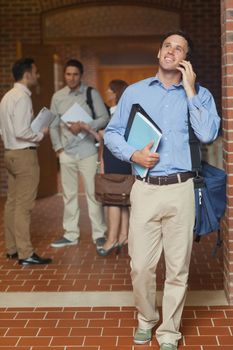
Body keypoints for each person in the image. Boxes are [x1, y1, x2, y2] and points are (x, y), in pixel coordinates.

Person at [104, 31, 220, 350]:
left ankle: (170, 331)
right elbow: (112, 133)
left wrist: (191, 90)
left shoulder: (199, 94)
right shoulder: (135, 93)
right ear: (159, 53)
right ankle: (146, 318)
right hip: (145, 188)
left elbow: (209, 133)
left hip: (181, 189)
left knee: (178, 267)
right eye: (167, 45)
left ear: (185, 60)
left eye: (179, 48)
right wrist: (133, 154)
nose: (171, 50)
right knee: (140, 265)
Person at [49, 59, 109, 248]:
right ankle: (71, 234)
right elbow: (52, 124)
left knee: (93, 194)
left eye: (75, 74)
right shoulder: (57, 97)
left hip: (87, 151)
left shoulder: (91, 94)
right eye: (68, 74)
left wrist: (85, 125)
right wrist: (57, 148)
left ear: (80, 75)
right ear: (64, 75)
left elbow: (104, 118)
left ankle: (99, 234)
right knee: (69, 194)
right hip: (66, 152)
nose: (71, 78)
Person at [0, 58, 52, 266]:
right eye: (36, 71)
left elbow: (3, 130)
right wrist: (41, 134)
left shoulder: (6, 97)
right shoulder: (22, 97)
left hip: (10, 153)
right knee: (24, 206)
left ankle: (12, 249)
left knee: (12, 203)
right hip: (24, 156)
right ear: (28, 73)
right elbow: (22, 131)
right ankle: (25, 253)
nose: (37, 75)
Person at [97, 80, 131, 256]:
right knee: (122, 197)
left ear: (116, 92)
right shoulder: (122, 111)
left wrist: (96, 132)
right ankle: (124, 236)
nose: (107, 92)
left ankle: (111, 240)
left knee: (112, 198)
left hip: (116, 157)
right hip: (120, 158)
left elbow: (114, 136)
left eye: (110, 89)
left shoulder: (118, 112)